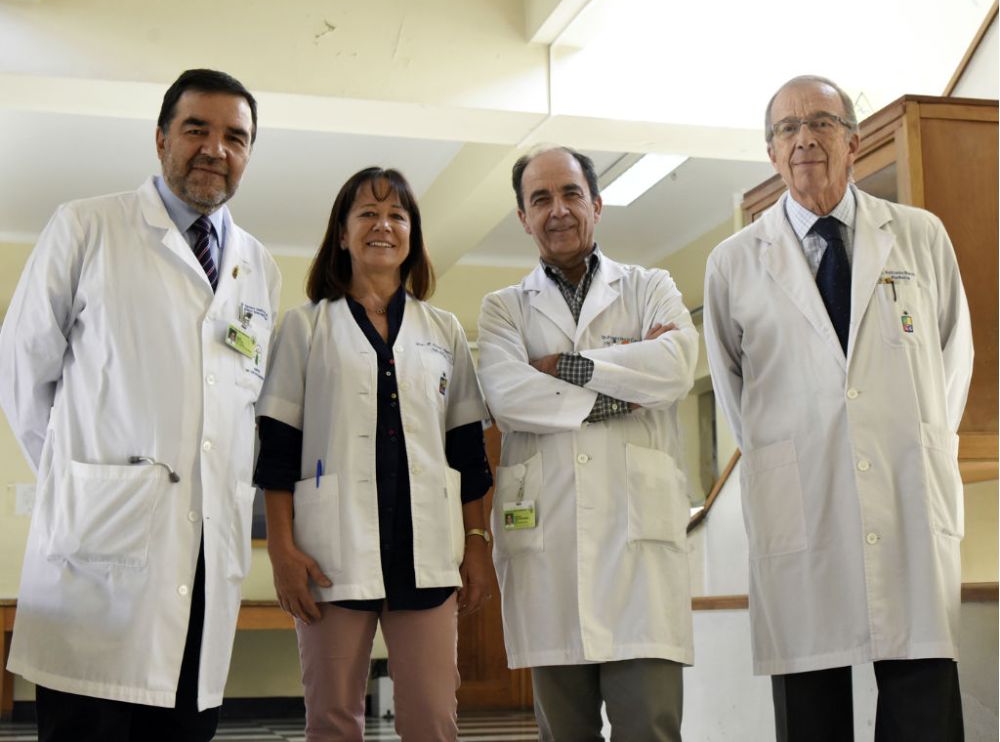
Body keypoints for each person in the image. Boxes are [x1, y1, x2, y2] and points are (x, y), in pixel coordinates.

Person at [0, 69, 281, 741]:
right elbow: (21, 373)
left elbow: (242, 410)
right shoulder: (86, 226)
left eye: (235, 137)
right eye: (197, 130)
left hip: (206, 560)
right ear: (160, 140)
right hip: (97, 559)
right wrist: (86, 486)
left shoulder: (258, 266)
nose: (216, 149)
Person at [703, 75, 973, 742]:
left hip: (908, 491)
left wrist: (914, 443)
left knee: (923, 703)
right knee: (810, 712)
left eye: (822, 122)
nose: (805, 140)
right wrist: (801, 445)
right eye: (787, 129)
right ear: (770, 153)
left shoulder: (918, 236)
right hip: (802, 500)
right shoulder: (733, 263)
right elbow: (737, 396)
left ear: (853, 141)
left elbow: (951, 357)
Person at [254, 166, 493, 741]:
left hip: (427, 549)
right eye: (367, 213)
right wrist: (281, 549)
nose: (383, 225)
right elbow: (278, 452)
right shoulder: (304, 327)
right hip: (330, 554)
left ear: (412, 234)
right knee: (333, 718)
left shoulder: (445, 331)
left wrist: (478, 545)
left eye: (397, 215)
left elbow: (468, 452)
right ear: (342, 233)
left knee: (433, 719)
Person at [477, 145, 698, 741]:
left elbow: (675, 367)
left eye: (571, 194)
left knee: (649, 727)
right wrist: (626, 388)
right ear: (523, 217)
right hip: (550, 552)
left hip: (639, 555)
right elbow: (509, 398)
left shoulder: (650, 286)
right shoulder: (503, 310)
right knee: (563, 735)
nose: (558, 211)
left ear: (596, 204)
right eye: (540, 199)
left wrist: (565, 367)